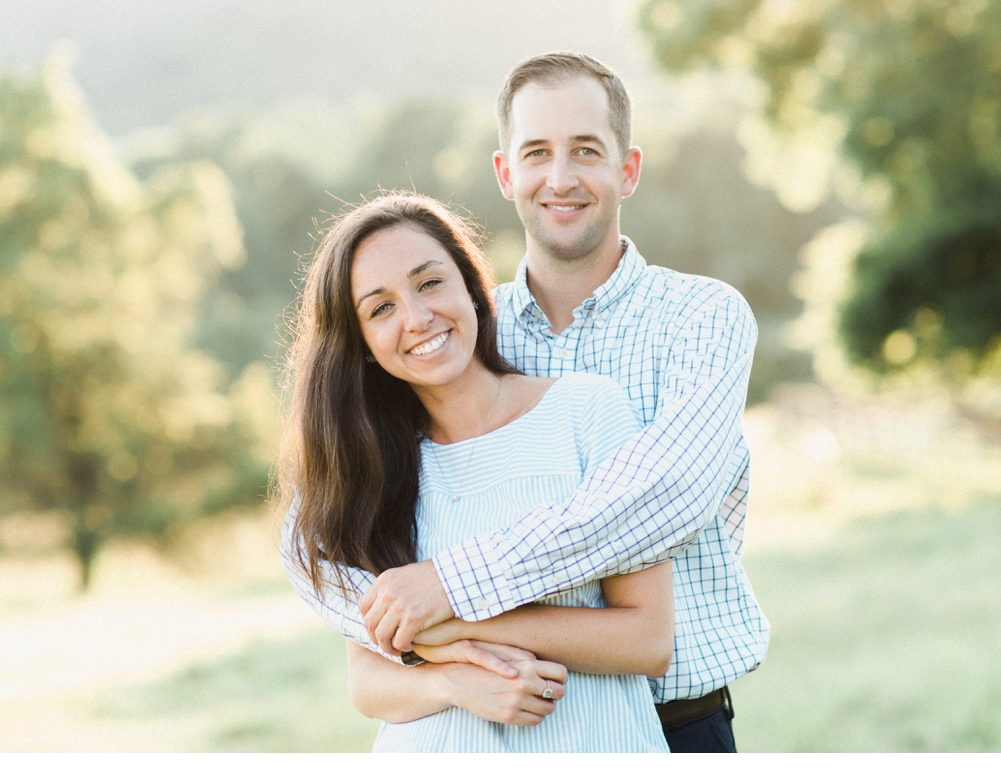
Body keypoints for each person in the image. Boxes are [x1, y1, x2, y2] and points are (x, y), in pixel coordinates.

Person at [284, 52, 768, 753]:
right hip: (477, 719)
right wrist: (414, 635)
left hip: (677, 720)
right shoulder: (450, 337)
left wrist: (450, 595)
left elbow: (669, 495)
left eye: (586, 152)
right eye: (537, 152)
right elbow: (323, 534)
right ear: (505, 173)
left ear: (627, 169)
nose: (561, 178)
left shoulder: (701, 318)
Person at [279, 193, 673, 752]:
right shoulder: (369, 469)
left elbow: (647, 639)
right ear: (361, 344)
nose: (417, 318)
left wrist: (451, 624)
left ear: (471, 286)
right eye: (381, 308)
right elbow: (367, 684)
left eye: (430, 283)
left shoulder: (586, 411)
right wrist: (453, 680)